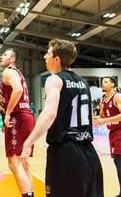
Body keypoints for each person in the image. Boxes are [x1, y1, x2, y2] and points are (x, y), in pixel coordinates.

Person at [21, 39, 103, 197]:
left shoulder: (54, 79)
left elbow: (50, 113)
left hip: (66, 154)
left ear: (56, 59)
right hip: (90, 154)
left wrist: (29, 141)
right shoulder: (83, 82)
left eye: (48, 53)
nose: (45, 57)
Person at [0, 48, 35, 197]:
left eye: (5, 55)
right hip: (26, 116)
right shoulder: (18, 73)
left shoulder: (8, 72)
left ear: (12, 59)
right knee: (23, 163)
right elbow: (17, 93)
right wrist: (3, 101)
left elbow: (18, 90)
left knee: (14, 163)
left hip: (18, 117)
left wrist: (7, 113)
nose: (1, 57)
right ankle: (30, 193)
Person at [94, 77, 121, 197]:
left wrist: (105, 120)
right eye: (102, 82)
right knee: (119, 162)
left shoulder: (118, 96)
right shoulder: (103, 100)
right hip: (112, 133)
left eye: (106, 82)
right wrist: (93, 119)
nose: (103, 83)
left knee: (119, 161)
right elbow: (101, 117)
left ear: (113, 84)